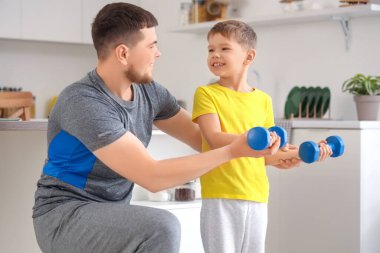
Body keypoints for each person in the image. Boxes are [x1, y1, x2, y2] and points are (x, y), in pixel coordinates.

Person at [32, 3, 300, 253]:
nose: (158, 53)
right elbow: (153, 176)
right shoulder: (83, 101)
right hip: (64, 216)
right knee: (162, 226)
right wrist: (234, 151)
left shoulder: (150, 93)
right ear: (123, 53)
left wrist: (271, 154)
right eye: (152, 46)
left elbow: (204, 140)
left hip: (113, 212)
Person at [192, 20, 332, 253]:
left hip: (256, 194)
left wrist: (307, 152)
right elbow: (214, 138)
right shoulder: (206, 93)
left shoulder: (263, 100)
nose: (215, 54)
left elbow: (268, 154)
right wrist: (256, 140)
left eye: (224, 48)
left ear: (248, 57)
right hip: (220, 195)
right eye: (210, 49)